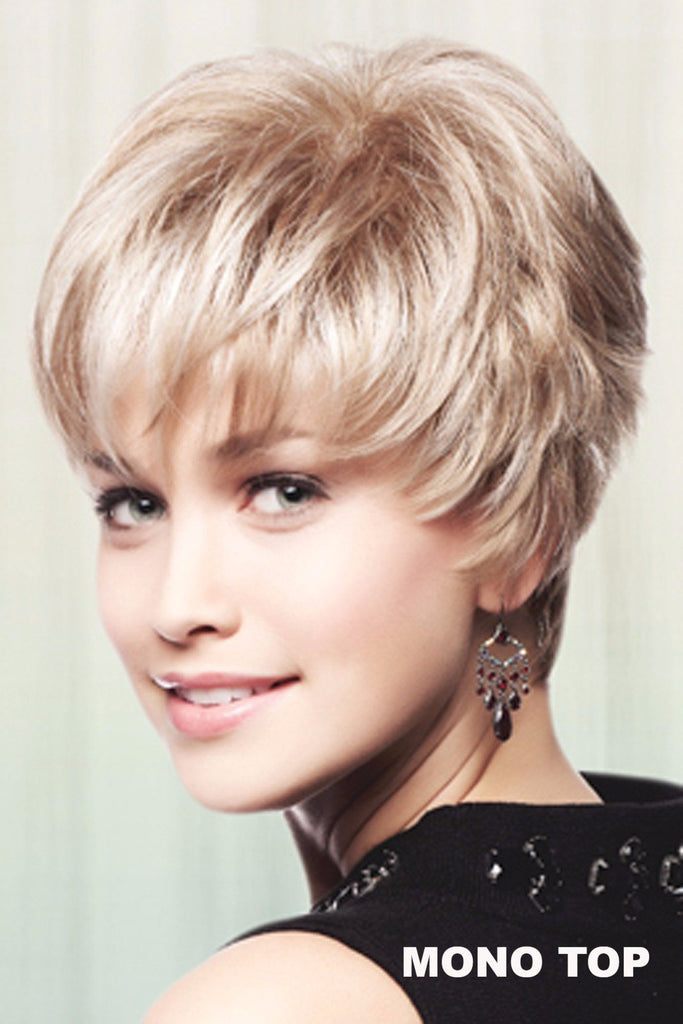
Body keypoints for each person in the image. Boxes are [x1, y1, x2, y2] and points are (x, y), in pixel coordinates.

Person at [32, 40, 681, 1024]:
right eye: (133, 502)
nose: (176, 604)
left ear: (520, 527)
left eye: (282, 490)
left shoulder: (281, 1004)